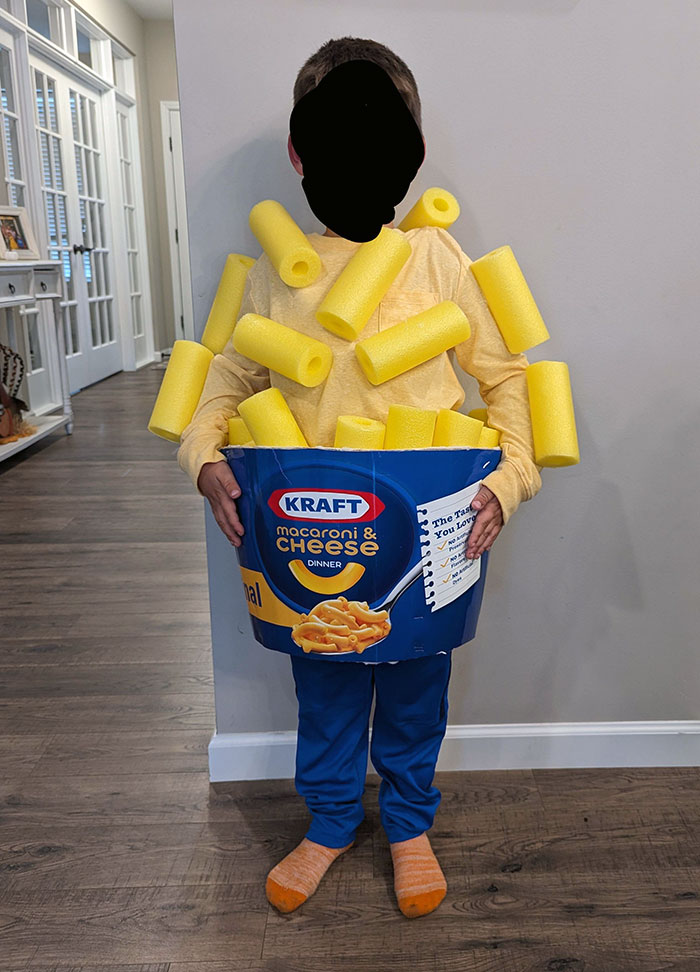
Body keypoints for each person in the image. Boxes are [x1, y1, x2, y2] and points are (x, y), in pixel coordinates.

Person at [178, 36, 542, 919]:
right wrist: (203, 458)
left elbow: (506, 378)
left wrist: (509, 480)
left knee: (416, 683)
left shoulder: (439, 260)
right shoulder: (277, 275)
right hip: (313, 527)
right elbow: (225, 378)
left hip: (428, 524)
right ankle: (333, 821)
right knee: (327, 683)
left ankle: (410, 825)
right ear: (301, 152)